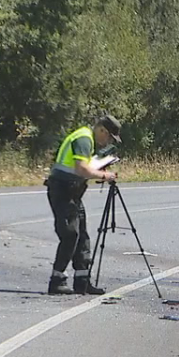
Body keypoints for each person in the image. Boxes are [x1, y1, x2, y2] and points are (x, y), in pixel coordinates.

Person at [45, 115, 121, 295]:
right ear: (102, 130)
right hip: (62, 190)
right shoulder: (84, 138)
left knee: (83, 237)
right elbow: (81, 169)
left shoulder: (88, 141)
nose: (108, 141)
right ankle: (57, 280)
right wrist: (104, 175)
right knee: (70, 234)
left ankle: (82, 281)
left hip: (73, 191)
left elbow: (83, 168)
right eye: (109, 137)